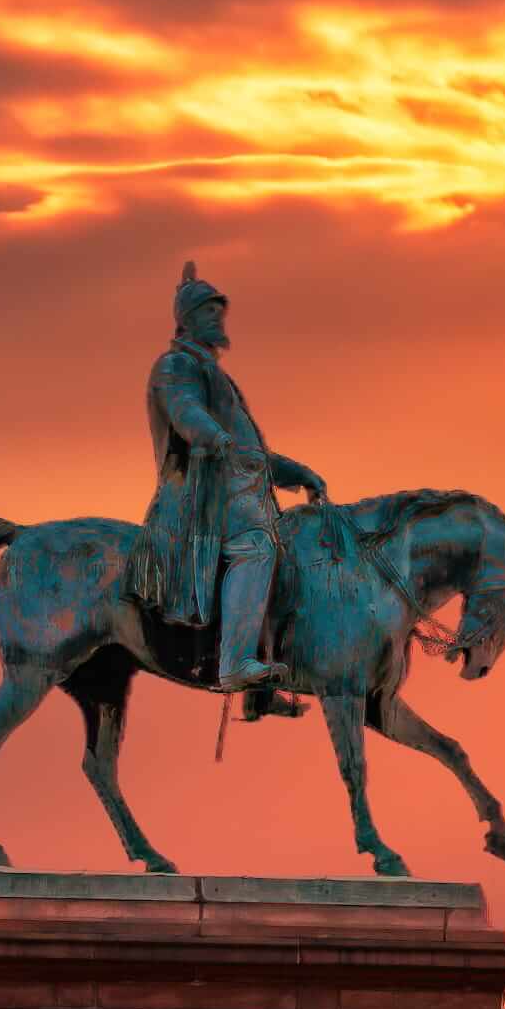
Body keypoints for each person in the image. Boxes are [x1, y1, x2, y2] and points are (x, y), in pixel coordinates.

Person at [143, 264, 326, 695]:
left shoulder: (215, 373)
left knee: (293, 548)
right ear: (186, 318)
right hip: (199, 497)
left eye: (219, 312)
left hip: (233, 493)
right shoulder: (176, 366)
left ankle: (262, 684)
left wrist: (297, 473)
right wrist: (215, 436)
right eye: (208, 312)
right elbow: (186, 411)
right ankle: (234, 664)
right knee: (257, 548)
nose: (217, 320)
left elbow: (251, 453)